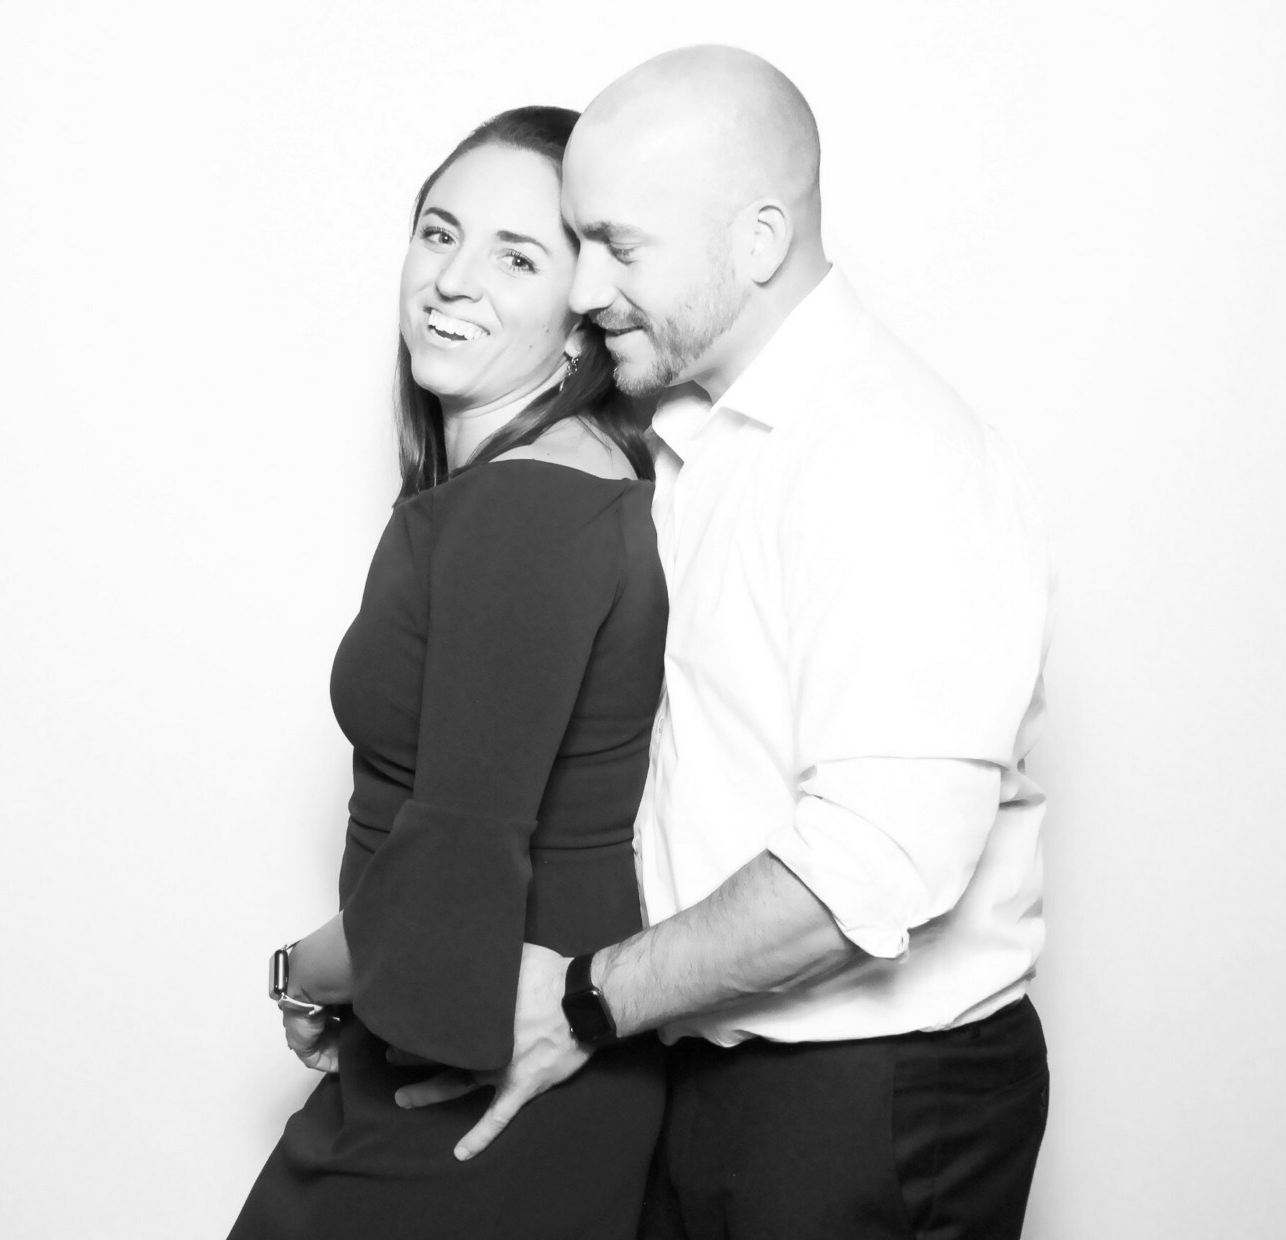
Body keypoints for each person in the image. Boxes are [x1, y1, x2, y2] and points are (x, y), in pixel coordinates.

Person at [396, 47, 1057, 1240]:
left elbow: (865, 870)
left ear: (757, 241)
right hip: (694, 1065)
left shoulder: (891, 458)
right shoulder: (686, 439)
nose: (585, 288)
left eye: (618, 246)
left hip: (860, 1104)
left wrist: (586, 999)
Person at [227, 105, 668, 1239]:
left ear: (580, 317)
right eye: (438, 233)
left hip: (478, 1089)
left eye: (516, 257)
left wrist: (303, 970)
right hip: (447, 1051)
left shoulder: (526, 508)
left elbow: (448, 878)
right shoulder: (528, 490)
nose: (452, 279)